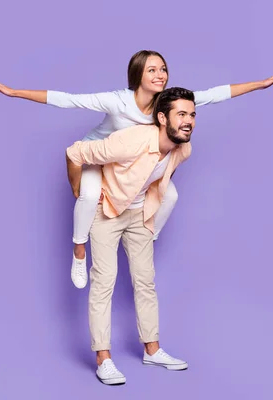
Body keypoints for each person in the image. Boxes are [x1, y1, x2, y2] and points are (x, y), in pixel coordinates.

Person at [0, 50, 273, 290]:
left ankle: (147, 236)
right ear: (137, 74)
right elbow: (68, 100)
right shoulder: (118, 101)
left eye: (163, 69)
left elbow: (212, 94)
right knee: (88, 197)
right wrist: (14, 92)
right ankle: (78, 251)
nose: (160, 74)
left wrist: (258, 85)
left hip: (128, 164)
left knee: (170, 196)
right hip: (97, 157)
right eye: (152, 69)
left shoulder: (165, 103)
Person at [65, 87, 198, 385]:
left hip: (140, 215)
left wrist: (148, 200)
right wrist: (79, 190)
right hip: (107, 211)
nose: (188, 121)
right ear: (162, 118)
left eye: (192, 114)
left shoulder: (183, 148)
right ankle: (104, 358)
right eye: (181, 114)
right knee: (104, 282)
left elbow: (161, 175)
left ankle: (152, 349)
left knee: (145, 281)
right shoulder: (131, 140)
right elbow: (75, 153)